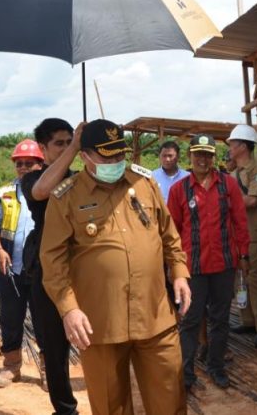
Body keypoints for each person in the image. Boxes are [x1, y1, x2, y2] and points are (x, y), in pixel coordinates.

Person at [40, 119, 191, 415]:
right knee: (111, 406)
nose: (116, 162)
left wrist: (179, 273)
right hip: (101, 323)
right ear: (84, 156)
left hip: (155, 316)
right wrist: (69, 308)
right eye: (107, 156)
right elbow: (52, 260)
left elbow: (169, 234)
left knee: (170, 400)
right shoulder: (66, 197)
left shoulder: (144, 183)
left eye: (120, 154)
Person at [167, 134, 250, 391]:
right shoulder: (179, 189)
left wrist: (244, 255)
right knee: (190, 321)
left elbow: (240, 221)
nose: (203, 159)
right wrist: (173, 265)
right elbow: (172, 231)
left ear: (214, 157)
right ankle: (187, 374)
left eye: (207, 154)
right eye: (198, 154)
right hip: (193, 268)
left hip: (224, 265)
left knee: (220, 319)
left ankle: (216, 367)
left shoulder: (229, 186)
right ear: (189, 156)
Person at [20, 118, 79, 414]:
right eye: (60, 143)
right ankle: (65, 409)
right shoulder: (31, 179)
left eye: (71, 142)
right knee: (55, 348)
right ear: (42, 148)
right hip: (48, 273)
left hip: (83, 271)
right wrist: (76, 148)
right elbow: (43, 191)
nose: (68, 148)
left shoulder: (83, 179)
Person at [0, 139, 44, 388]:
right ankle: (11, 366)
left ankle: (49, 369)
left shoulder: (49, 191)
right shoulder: (4, 193)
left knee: (44, 320)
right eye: (19, 163)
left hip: (41, 266)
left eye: (28, 163)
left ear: (40, 164)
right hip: (9, 266)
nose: (23, 167)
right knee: (10, 317)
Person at [226, 124, 257, 348]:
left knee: (254, 279)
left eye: (232, 144)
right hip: (234, 234)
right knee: (239, 279)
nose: (230, 148)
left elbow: (253, 200)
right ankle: (248, 321)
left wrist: (225, 201)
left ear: (243, 146)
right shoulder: (233, 174)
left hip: (251, 234)